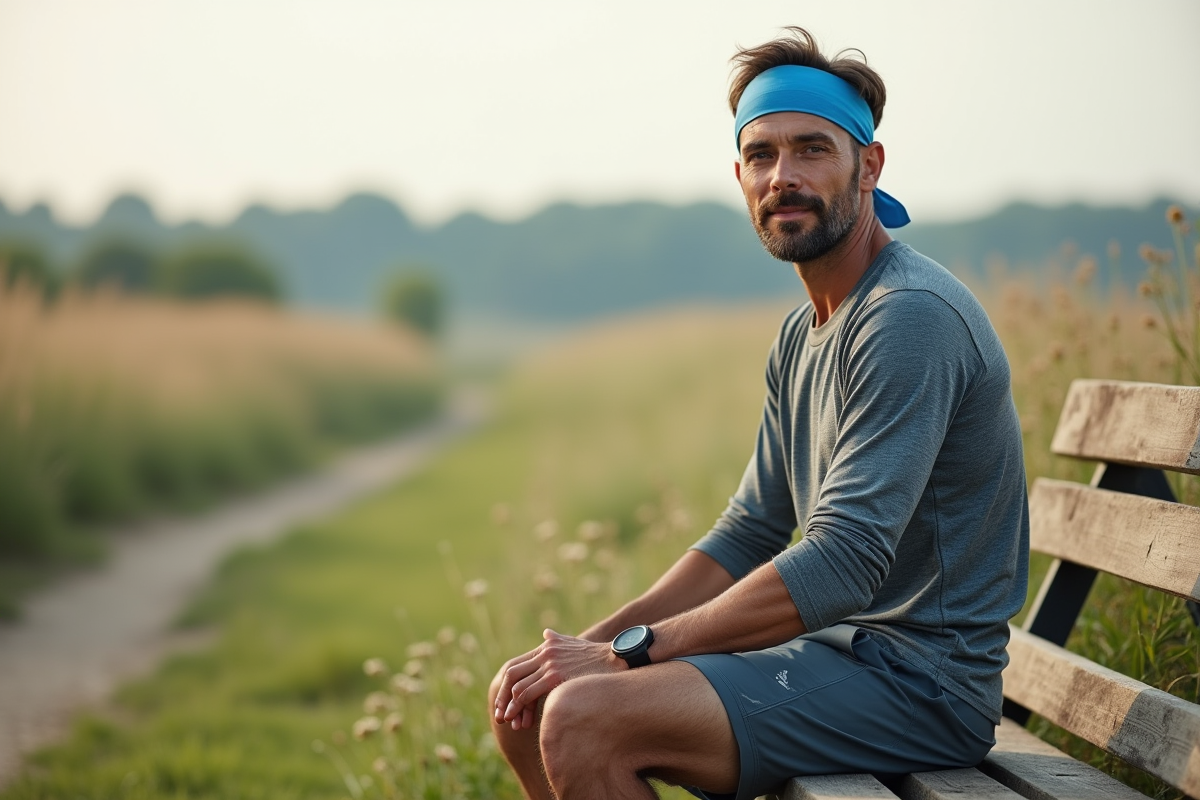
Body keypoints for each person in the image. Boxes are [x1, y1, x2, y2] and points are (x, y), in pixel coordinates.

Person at [489, 26, 1029, 800]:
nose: (785, 175)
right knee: (530, 704)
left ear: (868, 166)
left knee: (584, 717)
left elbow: (844, 561)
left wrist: (630, 655)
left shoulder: (908, 316)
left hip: (922, 685)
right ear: (739, 175)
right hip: (839, 659)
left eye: (813, 148)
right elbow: (749, 530)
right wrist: (594, 641)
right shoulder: (803, 330)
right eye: (762, 154)